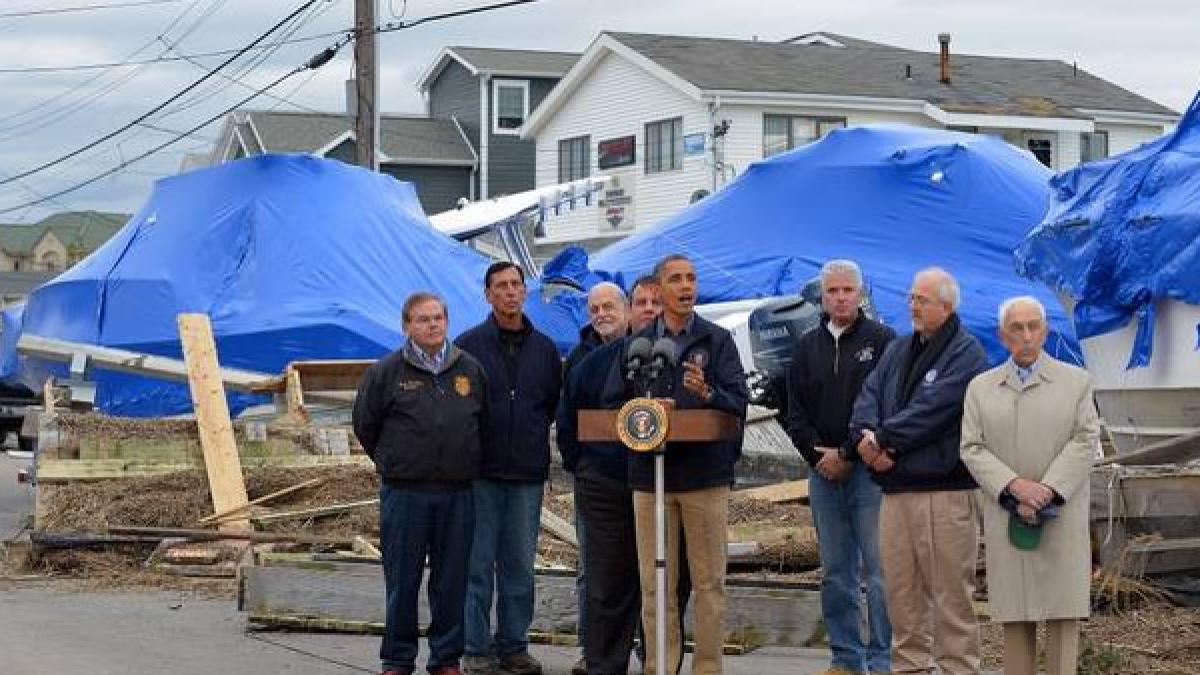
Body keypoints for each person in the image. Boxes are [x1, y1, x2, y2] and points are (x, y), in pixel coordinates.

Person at [849, 267, 988, 675]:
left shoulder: (967, 352)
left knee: (950, 597)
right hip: (895, 492)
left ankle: (959, 668)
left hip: (943, 493)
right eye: (911, 297)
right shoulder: (898, 348)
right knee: (902, 596)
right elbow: (868, 395)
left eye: (921, 299)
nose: (912, 305)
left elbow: (935, 409)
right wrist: (864, 438)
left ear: (946, 306)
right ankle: (908, 668)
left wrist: (885, 441)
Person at [960, 296, 1099, 675]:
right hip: (1009, 514)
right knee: (1016, 621)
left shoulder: (1077, 383)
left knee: (1061, 620)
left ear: (1045, 330)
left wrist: (1048, 490)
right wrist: (1014, 486)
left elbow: (1085, 440)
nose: (1025, 335)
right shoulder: (981, 388)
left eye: (1033, 326)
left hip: (1061, 516)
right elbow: (972, 447)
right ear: (1003, 336)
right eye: (1016, 328)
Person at [352, 292, 488, 675]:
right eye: (422, 319)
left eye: (438, 318)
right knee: (402, 579)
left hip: (457, 493)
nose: (432, 325)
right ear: (407, 326)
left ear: (447, 321)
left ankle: (446, 658)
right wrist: (392, 461)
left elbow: (485, 423)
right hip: (405, 493)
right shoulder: (386, 372)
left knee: (451, 581)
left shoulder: (469, 370)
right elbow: (365, 424)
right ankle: (397, 658)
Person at [631, 254, 748, 675]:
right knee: (654, 585)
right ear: (658, 289)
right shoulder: (639, 344)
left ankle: (707, 668)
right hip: (650, 480)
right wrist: (643, 408)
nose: (686, 286)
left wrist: (708, 394)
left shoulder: (717, 341)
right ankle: (659, 667)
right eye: (676, 279)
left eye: (692, 278)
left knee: (709, 584)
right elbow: (612, 404)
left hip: (704, 478)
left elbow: (739, 403)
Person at [785, 260, 894, 675]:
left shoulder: (883, 341)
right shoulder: (806, 346)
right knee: (836, 573)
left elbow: (883, 406)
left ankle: (883, 660)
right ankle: (845, 658)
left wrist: (847, 454)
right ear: (822, 296)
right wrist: (819, 458)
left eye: (848, 290)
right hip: (822, 475)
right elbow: (794, 412)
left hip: (868, 473)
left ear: (861, 293)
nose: (841, 297)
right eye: (833, 291)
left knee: (881, 571)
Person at [455, 262, 562, 675]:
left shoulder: (546, 349)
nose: (510, 292)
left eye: (516, 284)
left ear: (525, 292)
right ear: (487, 295)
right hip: (480, 475)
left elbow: (549, 405)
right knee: (477, 565)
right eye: (501, 286)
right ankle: (476, 647)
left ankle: (514, 645)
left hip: (526, 476)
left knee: (519, 566)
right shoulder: (467, 347)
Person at [562, 281, 631, 675]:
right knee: (594, 572)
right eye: (595, 309)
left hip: (639, 480)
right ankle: (593, 650)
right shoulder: (579, 359)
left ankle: (642, 649)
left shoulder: (645, 352)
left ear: (625, 310)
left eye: (609, 306)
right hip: (596, 480)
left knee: (643, 568)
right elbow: (566, 417)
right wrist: (581, 465)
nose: (602, 314)